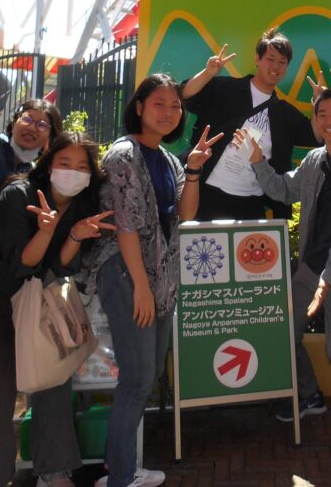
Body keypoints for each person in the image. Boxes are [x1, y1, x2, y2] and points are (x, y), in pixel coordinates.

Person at [86, 74, 221, 487]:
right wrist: (140, 286)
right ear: (140, 106)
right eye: (159, 103)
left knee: (146, 375)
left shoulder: (167, 159)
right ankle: (121, 476)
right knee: (137, 379)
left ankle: (119, 465)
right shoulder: (123, 154)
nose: (169, 112)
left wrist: (193, 169)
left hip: (158, 277)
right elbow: (125, 223)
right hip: (128, 274)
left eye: (176, 106)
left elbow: (186, 213)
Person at [239, 87, 331, 444]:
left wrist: (327, 281)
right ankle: (310, 394)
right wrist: (258, 160)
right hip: (310, 269)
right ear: (315, 120)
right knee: (284, 336)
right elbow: (283, 191)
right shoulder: (314, 160)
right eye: (322, 115)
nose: (329, 121)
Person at [0, 132, 115, 487]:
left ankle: (55, 472)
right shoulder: (19, 195)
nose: (72, 172)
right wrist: (47, 232)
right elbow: (23, 262)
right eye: (65, 162)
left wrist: (75, 235)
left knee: (54, 378)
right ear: (49, 164)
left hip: (43, 300)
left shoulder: (83, 205)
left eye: (82, 166)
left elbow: (62, 265)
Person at [181, 28, 316, 220]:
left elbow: (316, 135)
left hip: (251, 204)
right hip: (208, 195)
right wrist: (208, 73)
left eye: (282, 62)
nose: (275, 66)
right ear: (257, 59)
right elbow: (185, 95)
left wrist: (321, 101)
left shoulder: (284, 113)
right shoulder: (226, 89)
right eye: (270, 59)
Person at [0, 99, 63, 188]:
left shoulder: (38, 174)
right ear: (13, 124)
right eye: (27, 119)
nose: (31, 128)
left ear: (51, 137)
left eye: (42, 125)